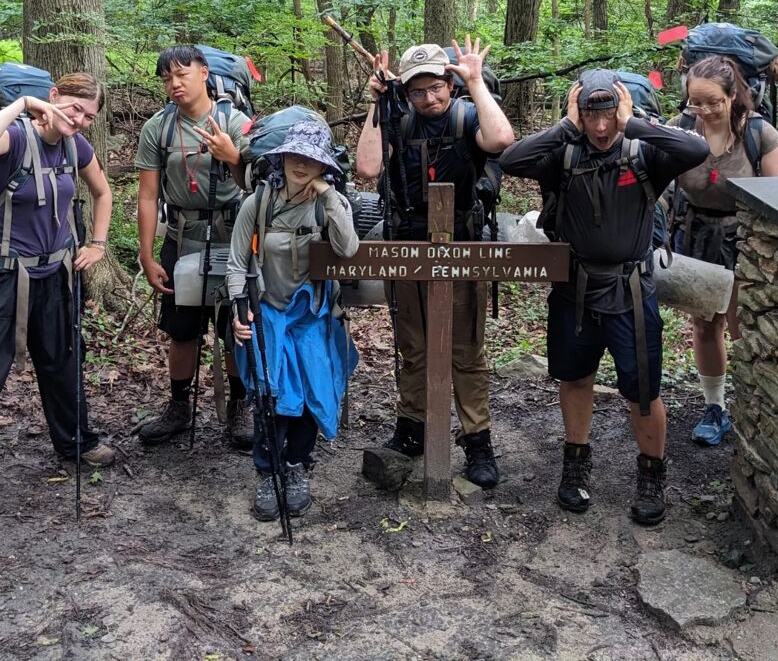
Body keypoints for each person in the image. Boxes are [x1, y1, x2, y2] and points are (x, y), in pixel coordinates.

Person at [500, 69, 709, 525]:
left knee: (643, 389)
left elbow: (696, 149)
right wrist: (565, 127)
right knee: (575, 378)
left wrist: (632, 123)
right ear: (578, 110)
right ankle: (575, 464)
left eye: (608, 115)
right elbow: (511, 160)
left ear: (622, 109)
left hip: (632, 291)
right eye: (591, 116)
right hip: (574, 290)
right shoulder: (564, 153)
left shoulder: (644, 152)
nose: (600, 128)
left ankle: (651, 475)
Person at [355, 36, 515, 489]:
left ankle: (477, 440)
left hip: (461, 244)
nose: (428, 98)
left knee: (465, 350)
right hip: (408, 245)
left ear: (449, 84)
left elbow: (501, 140)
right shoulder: (400, 123)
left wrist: (476, 82)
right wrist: (377, 105)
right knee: (414, 345)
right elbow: (367, 168)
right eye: (417, 91)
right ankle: (412, 430)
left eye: (436, 87)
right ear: (405, 92)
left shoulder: (468, 118)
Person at [228, 121, 359, 521]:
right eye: (294, 156)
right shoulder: (258, 202)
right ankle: (268, 472)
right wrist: (238, 310)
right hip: (267, 311)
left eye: (311, 159)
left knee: (309, 393)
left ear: (323, 166)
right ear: (281, 158)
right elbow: (237, 262)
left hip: (313, 315)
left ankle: (297, 465)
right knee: (269, 395)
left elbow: (348, 249)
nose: (300, 165)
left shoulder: (327, 202)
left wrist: (330, 196)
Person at [136, 45, 253, 448]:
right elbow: (148, 196)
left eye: (181, 74)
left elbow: (256, 186)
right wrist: (147, 255)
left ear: (204, 73)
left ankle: (241, 406)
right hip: (181, 238)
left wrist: (232, 155)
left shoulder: (234, 122)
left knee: (237, 328)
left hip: (233, 238)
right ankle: (179, 406)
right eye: (167, 78)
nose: (174, 84)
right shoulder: (158, 128)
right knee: (181, 330)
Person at [668, 55, 778, 446]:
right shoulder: (682, 130)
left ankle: (754, 401)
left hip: (749, 242)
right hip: (698, 234)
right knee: (705, 323)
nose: (703, 111)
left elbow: (776, 203)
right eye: (695, 103)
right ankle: (715, 406)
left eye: (712, 102)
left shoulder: (760, 135)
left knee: (743, 325)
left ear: (733, 95)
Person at [0, 72, 114, 466]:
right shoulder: (14, 138)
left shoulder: (76, 147)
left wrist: (97, 244)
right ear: (53, 96)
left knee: (63, 361)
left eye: (88, 117)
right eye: (75, 109)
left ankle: (76, 442)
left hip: (56, 275)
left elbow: (103, 192)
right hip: (7, 275)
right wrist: (25, 105)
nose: (79, 121)